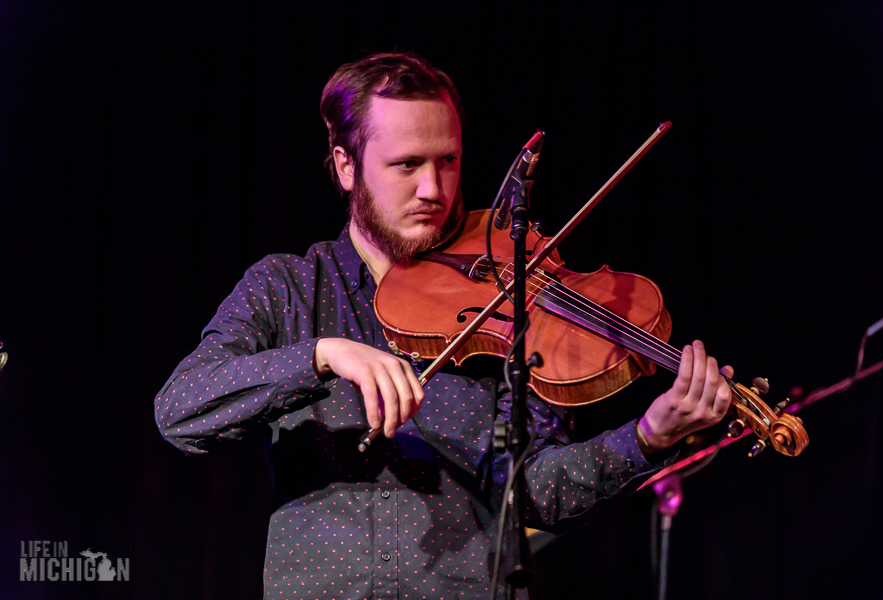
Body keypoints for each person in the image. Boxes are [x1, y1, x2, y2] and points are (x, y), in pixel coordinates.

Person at [154, 52, 732, 599]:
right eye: (406, 165)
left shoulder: (505, 302)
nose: (434, 189)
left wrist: (647, 438)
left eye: (447, 161)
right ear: (346, 165)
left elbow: (537, 492)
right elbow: (181, 410)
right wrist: (322, 355)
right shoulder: (286, 288)